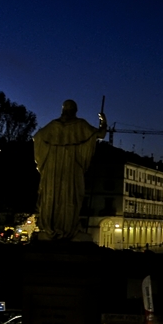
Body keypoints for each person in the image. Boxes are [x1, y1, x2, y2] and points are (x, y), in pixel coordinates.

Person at [33, 100, 107, 240]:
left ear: (63, 110)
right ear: (75, 110)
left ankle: (49, 228)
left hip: (52, 168)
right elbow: (100, 134)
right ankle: (69, 228)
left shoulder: (52, 126)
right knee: (71, 195)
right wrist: (103, 120)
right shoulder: (80, 125)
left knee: (51, 196)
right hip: (71, 167)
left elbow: (37, 138)